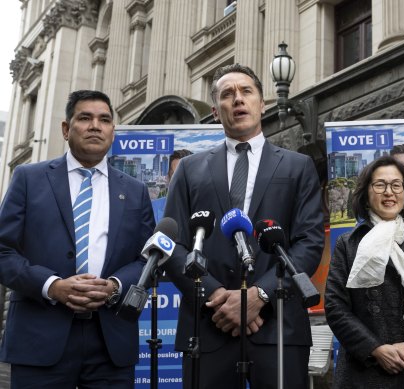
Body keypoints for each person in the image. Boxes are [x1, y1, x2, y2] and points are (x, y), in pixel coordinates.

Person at [162, 64, 324, 388]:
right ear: (214, 111)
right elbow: (172, 244)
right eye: (227, 94)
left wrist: (258, 296)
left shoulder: (298, 166)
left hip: (278, 327)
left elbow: (308, 242)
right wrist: (218, 296)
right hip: (208, 326)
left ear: (262, 104)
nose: (238, 100)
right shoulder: (190, 170)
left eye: (246, 91)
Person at [0, 90, 155, 388]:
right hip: (39, 339)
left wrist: (115, 286)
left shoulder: (136, 190)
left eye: (104, 120)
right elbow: (4, 252)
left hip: (110, 342)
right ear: (66, 129)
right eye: (85, 118)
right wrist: (52, 286)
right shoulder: (28, 179)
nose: (95, 125)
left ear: (113, 131)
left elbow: (147, 258)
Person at [324, 155, 404, 389]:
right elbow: (335, 306)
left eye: (396, 185)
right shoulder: (348, 244)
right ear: (366, 194)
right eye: (380, 185)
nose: (389, 192)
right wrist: (374, 348)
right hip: (363, 370)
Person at [152, 149, 193, 223]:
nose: (183, 180)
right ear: (167, 177)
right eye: (176, 175)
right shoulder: (152, 208)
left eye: (188, 174)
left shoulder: (210, 208)